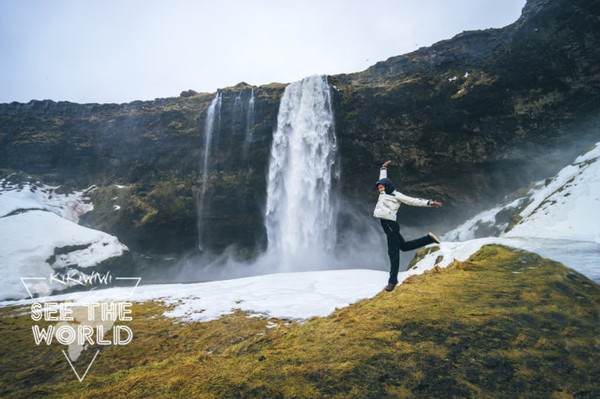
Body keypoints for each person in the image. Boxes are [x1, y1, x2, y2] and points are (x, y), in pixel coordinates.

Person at [374, 160, 443, 291]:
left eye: (382, 187)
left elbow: (412, 201)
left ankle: (392, 281)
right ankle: (429, 238)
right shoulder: (383, 192)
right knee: (404, 247)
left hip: (391, 225)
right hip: (385, 224)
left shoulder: (397, 195)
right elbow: (382, 178)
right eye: (379, 187)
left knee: (393, 253)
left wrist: (429, 203)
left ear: (388, 186)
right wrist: (383, 168)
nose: (380, 188)